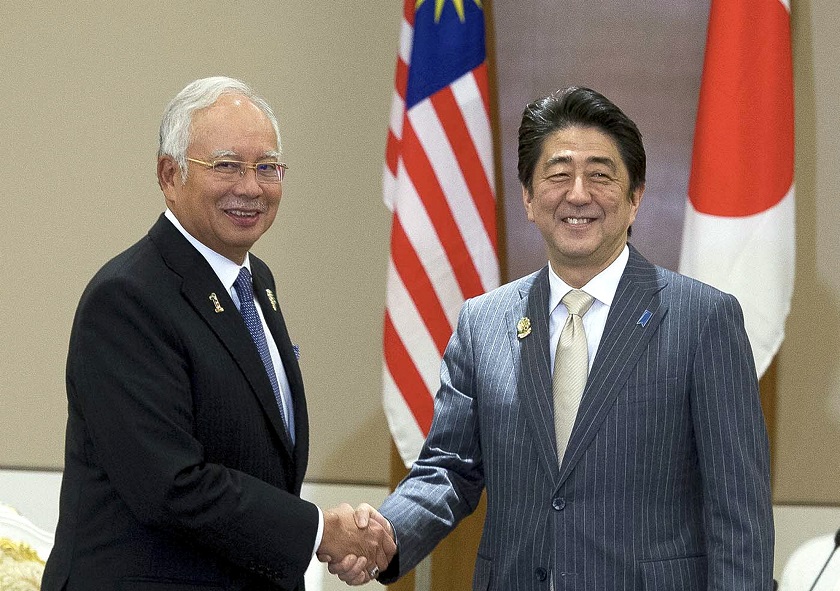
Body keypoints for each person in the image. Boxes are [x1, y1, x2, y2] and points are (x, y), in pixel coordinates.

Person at [332, 86, 775, 589]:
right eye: (559, 174)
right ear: (528, 198)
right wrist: (387, 533)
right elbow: (448, 469)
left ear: (635, 199)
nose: (579, 194)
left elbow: (739, 513)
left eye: (601, 176)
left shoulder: (703, 320)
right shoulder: (483, 323)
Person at [41, 76, 394, 590]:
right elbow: (172, 486)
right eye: (226, 165)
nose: (250, 187)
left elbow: (261, 457)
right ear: (169, 174)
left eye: (267, 167)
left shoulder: (256, 282)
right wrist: (319, 531)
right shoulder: (127, 298)